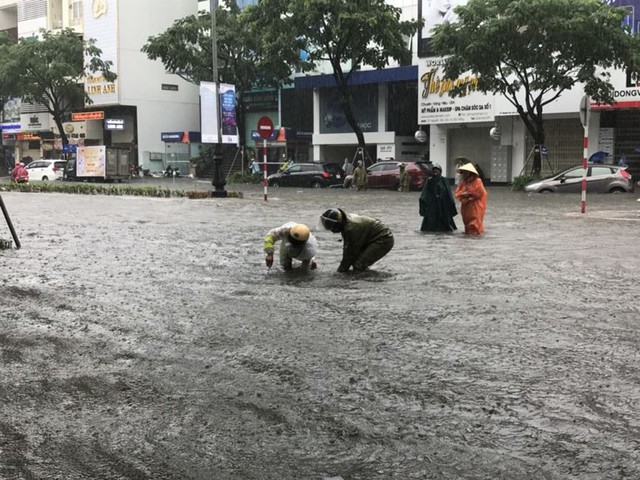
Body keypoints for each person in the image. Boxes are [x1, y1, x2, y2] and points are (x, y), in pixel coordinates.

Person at [320, 208, 394, 272]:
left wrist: (341, 271)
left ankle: (366, 282)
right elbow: (348, 249)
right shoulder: (345, 223)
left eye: (331, 227)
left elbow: (349, 253)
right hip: (370, 237)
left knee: (359, 265)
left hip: (383, 238)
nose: (331, 231)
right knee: (356, 260)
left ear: (338, 222)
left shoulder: (351, 228)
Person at [419, 162, 457, 232]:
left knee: (446, 226)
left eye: (437, 170)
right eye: (434, 170)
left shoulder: (444, 180)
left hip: (443, 206)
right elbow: (424, 194)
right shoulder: (429, 181)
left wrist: (451, 207)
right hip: (432, 207)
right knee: (429, 226)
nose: (435, 172)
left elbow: (449, 194)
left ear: (440, 171)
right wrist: (423, 206)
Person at [454, 163, 487, 235]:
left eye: (466, 172)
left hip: (475, 206)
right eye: (463, 172)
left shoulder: (478, 181)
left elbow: (480, 192)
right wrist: (463, 195)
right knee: (467, 223)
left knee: (475, 223)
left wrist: (469, 194)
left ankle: (475, 238)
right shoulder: (463, 183)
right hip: (466, 207)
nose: (464, 174)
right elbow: (457, 193)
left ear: (470, 173)